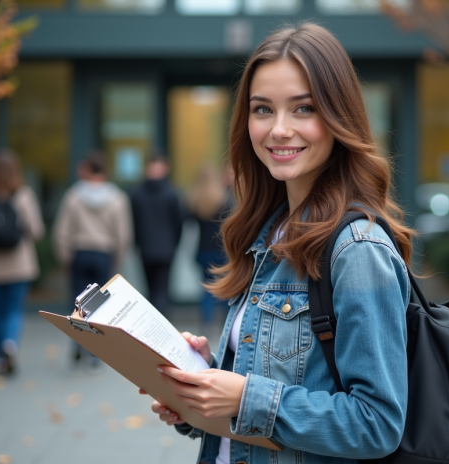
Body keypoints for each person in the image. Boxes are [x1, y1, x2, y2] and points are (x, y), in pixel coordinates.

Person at [142, 24, 414, 464]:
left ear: (338, 116)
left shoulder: (357, 251)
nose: (279, 129)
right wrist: (204, 388)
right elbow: (267, 389)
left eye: (303, 108)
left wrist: (245, 397)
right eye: (263, 109)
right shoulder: (268, 233)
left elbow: (377, 424)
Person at [53, 151, 132, 369]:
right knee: (98, 306)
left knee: (77, 303)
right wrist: (117, 258)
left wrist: (65, 257)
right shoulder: (117, 198)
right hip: (103, 254)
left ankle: (78, 346)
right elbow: (123, 234)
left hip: (80, 252)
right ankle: (95, 354)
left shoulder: (73, 196)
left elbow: (62, 231)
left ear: (88, 169)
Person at [0, 151, 45, 375]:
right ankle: (10, 344)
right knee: (14, 310)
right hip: (19, 265)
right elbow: (37, 231)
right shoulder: (24, 195)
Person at [130, 154, 183, 316]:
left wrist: (137, 243)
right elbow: (178, 223)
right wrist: (174, 244)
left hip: (146, 248)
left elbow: (133, 223)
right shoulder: (171, 193)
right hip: (166, 248)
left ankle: (153, 323)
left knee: (151, 289)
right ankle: (162, 324)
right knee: (162, 290)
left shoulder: (137, 194)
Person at [188, 164, 231, 328]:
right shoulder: (225, 200)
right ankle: (226, 321)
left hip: (202, 250)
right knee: (226, 286)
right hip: (222, 250)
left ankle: (208, 322)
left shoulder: (195, 200)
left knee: (206, 287)